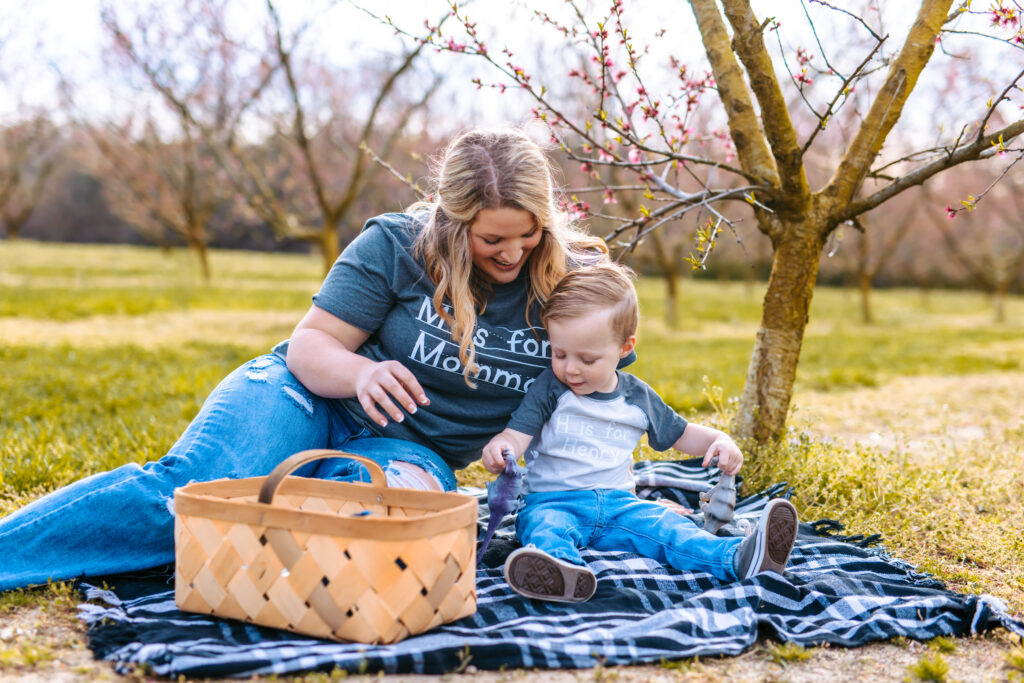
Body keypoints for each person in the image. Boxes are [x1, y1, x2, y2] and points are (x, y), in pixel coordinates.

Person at [0, 127, 611, 592]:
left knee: (371, 533)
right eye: (491, 239)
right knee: (189, 498)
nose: (512, 253)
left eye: (527, 234)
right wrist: (362, 373)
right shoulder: (397, 245)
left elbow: (597, 395)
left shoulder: (574, 287)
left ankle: (266, 537)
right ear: (453, 222)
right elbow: (310, 345)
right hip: (304, 398)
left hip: (408, 450)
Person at [481, 263, 799, 603]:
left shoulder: (637, 397)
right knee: (546, 529)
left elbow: (682, 434)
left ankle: (738, 558)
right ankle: (560, 572)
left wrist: (720, 440)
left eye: (587, 359)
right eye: (559, 353)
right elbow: (518, 435)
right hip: (554, 501)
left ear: (624, 347)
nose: (570, 368)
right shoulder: (550, 389)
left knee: (669, 530)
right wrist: (502, 447)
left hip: (621, 505)